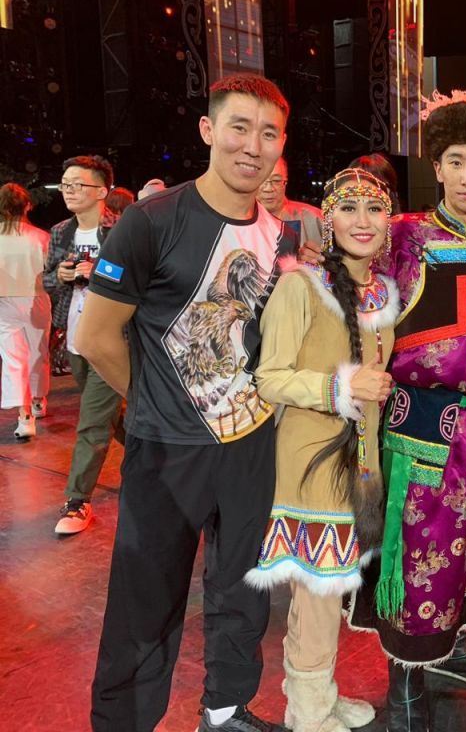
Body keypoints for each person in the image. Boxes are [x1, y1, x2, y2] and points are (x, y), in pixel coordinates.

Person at [77, 73, 294, 732]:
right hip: (167, 450)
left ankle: (225, 710)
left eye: (269, 133)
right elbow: (95, 337)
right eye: (239, 127)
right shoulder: (151, 221)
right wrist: (159, 403)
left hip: (251, 444)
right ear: (208, 130)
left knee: (244, 588)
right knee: (146, 600)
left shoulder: (280, 237)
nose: (252, 146)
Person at [347, 89, 466, 732]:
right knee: (418, 549)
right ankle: (406, 677)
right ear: (437, 167)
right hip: (415, 420)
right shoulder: (402, 235)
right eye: (455, 161)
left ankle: (454, 648)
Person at [246, 168, 398, 732]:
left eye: (375, 209)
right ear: (327, 219)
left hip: (360, 462)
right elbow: (269, 377)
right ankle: (307, 714)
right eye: (349, 209)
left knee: (332, 589)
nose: (363, 221)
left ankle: (321, 697)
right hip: (310, 460)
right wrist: (341, 386)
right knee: (315, 592)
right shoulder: (300, 285)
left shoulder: (383, 292)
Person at [44, 155, 122, 534]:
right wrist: (59, 276)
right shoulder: (60, 232)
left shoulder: (122, 230)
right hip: (75, 339)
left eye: (78, 185)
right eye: (65, 184)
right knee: (113, 417)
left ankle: (77, 502)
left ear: (101, 191)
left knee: (91, 421)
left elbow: (142, 280)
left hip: (112, 341)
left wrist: (99, 273)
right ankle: (160, 461)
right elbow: (47, 280)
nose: (69, 191)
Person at [0, 183, 50, 439]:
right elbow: (52, 272)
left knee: (13, 359)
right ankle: (38, 399)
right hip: (36, 299)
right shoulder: (41, 237)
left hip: (4, 303)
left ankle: (25, 416)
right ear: (27, 206)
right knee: (38, 353)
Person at [258, 156, 324, 247]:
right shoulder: (238, 222)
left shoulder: (315, 218)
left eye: (276, 181)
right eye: (261, 180)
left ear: (285, 182)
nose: (268, 189)